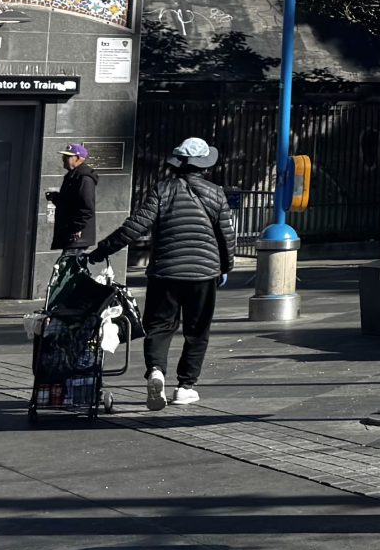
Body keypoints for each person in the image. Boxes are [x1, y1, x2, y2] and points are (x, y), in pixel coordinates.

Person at [87, 137, 236, 412]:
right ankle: (185, 387)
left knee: (159, 326)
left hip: (164, 273)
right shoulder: (216, 193)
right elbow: (226, 235)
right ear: (204, 165)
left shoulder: (162, 190)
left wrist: (101, 251)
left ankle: (156, 372)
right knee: (197, 331)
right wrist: (226, 267)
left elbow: (134, 227)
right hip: (204, 273)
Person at [45, 143, 97, 252]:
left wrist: (76, 228)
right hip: (72, 235)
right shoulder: (74, 176)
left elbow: (87, 208)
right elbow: (70, 203)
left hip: (76, 237)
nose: (63, 159)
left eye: (67, 156)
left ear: (77, 158)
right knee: (70, 266)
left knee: (66, 266)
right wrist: (56, 198)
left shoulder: (84, 178)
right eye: (64, 156)